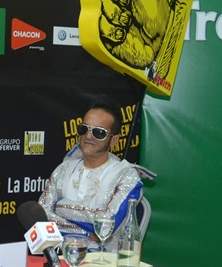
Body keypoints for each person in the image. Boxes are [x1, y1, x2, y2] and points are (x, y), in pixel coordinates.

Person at [37, 99, 146, 249]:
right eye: (84, 129)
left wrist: (59, 206)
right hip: (60, 255)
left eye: (98, 132)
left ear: (113, 140)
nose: (88, 136)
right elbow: (41, 215)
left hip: (104, 259)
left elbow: (106, 226)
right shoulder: (64, 169)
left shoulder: (126, 176)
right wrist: (86, 233)